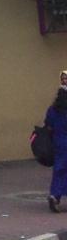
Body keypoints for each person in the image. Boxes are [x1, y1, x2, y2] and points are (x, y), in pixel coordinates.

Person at [45, 77, 67, 213]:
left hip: (58, 142)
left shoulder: (52, 110)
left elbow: (48, 125)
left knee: (59, 170)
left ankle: (55, 195)